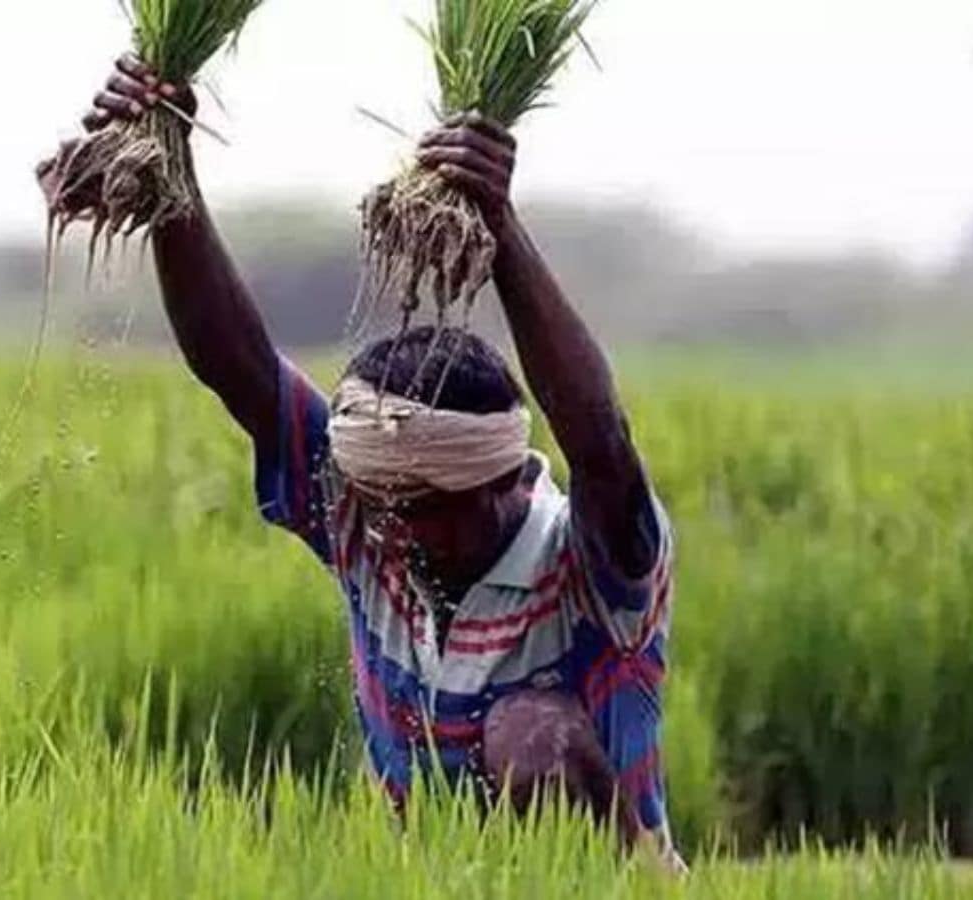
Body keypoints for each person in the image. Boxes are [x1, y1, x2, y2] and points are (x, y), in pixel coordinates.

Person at [40, 56, 683, 868]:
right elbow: (238, 365)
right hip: (426, 878)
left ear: (498, 485)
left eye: (420, 508)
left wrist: (499, 225)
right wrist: (171, 164)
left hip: (602, 879)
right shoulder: (369, 517)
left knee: (528, 732)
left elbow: (601, 441)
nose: (389, 529)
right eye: (379, 502)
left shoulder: (593, 560)